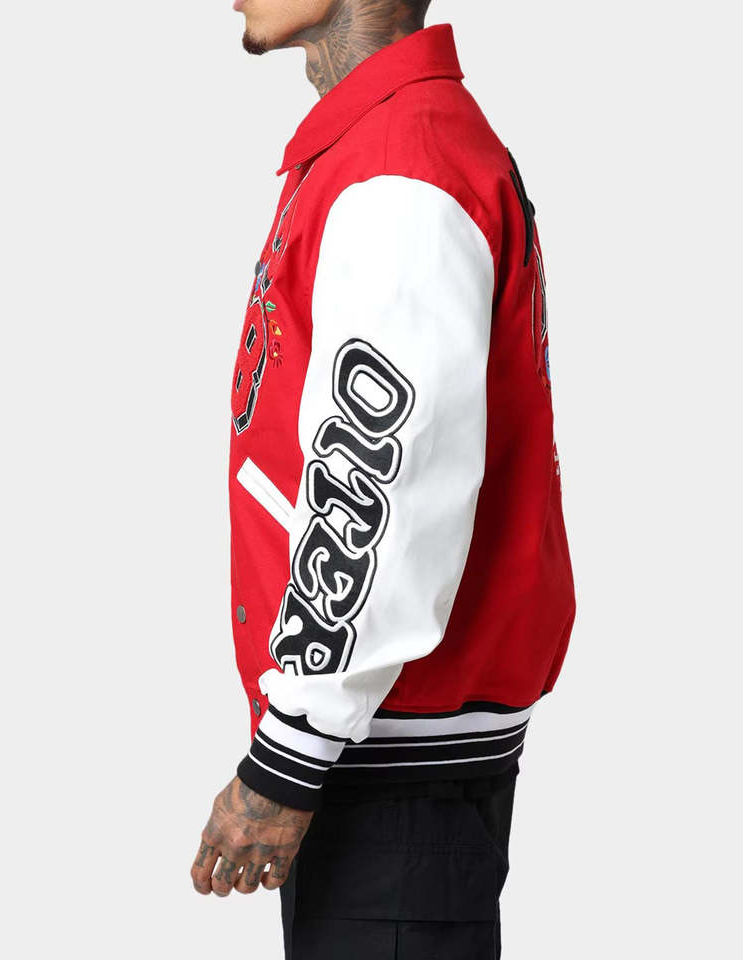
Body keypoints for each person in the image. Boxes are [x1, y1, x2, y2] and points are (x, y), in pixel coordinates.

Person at [190, 2, 576, 956]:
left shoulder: (403, 168)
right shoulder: (388, 146)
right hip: (384, 761)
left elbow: (383, 479)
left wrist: (290, 754)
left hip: (386, 773)